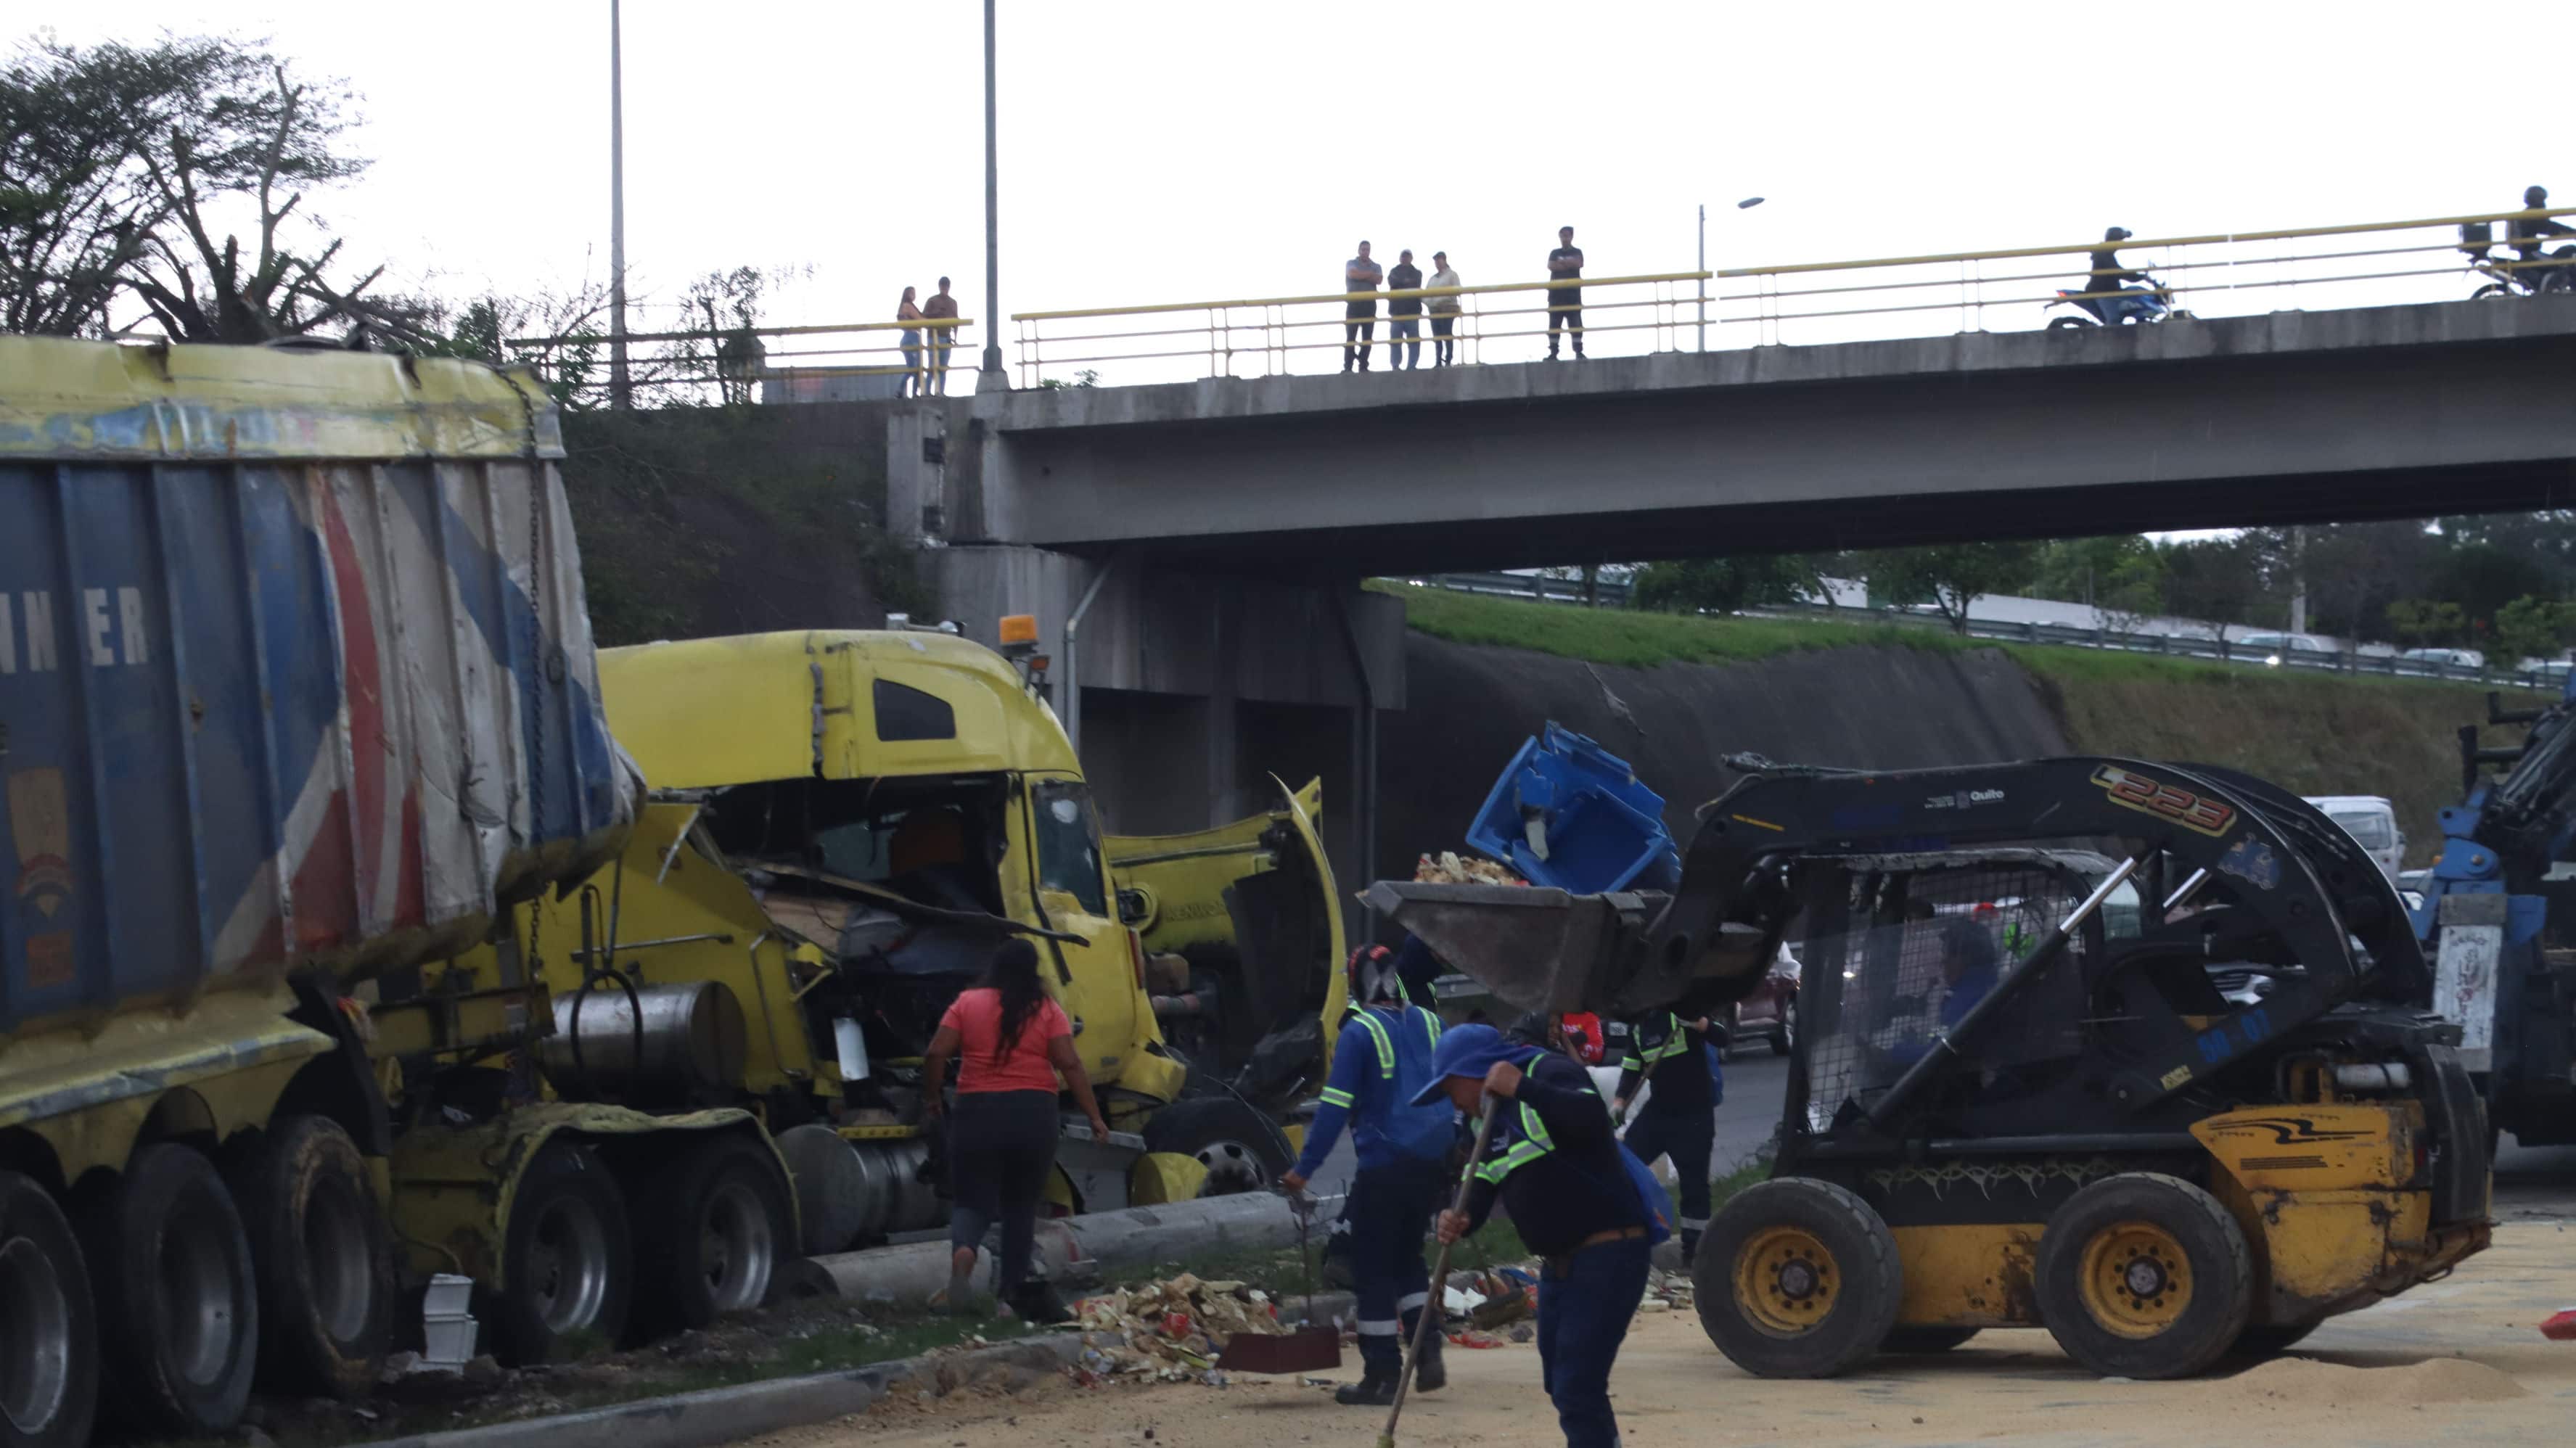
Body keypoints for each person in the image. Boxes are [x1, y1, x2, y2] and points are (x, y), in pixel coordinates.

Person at [1420, 1024, 1653, 1448]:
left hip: (1609, 1254)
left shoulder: (1547, 1072)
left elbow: (1591, 1121)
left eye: (1453, 1090)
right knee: (1561, 1382)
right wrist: (1459, 1217)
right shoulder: (1483, 1127)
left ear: (1478, 1072)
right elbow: (1481, 1188)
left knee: (1576, 1385)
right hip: (1560, 1267)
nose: (1455, 1104)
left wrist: (1523, 1086)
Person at [1281, 945, 1453, 1405]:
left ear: (1358, 982)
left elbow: (1335, 1109)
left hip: (1386, 1163)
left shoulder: (1360, 1031)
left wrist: (1303, 1170)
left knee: (1372, 1266)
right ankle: (1428, 1349)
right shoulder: (1431, 1022)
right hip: (1433, 1161)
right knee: (1408, 1258)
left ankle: (1381, 1375)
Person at [920, 938, 1111, 1324]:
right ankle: (1010, 1297)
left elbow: (936, 1052)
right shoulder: (1046, 1009)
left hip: (978, 1112)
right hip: (1033, 1114)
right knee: (1020, 1206)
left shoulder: (967, 1003)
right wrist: (1094, 1117)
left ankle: (964, 1256)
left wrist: (933, 1096)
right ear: (1033, 970)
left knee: (971, 1202)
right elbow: (1070, 1064)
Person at [1612, 1009, 1718, 1259]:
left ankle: (1696, 1252)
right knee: (1623, 1167)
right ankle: (1626, 1237)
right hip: (1658, 1113)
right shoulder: (1638, 1028)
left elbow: (1722, 1037)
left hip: (1694, 1115)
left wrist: (1700, 1023)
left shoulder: (1679, 1016)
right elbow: (1631, 1069)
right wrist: (1618, 1103)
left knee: (1694, 1186)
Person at [2081, 228, 2153, 324]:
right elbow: (2117, 271)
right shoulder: (2102, 253)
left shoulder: (2107, 253)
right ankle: (2109, 336)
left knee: (2135, 291)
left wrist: (2139, 276)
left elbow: (2118, 270)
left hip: (2111, 290)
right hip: (2102, 292)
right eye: (2120, 240)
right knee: (2114, 319)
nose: (2121, 243)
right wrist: (2139, 277)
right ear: (2114, 240)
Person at [2510, 186, 2575, 291]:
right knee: (2563, 262)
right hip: (2531, 255)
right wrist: (2572, 232)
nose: (2543, 203)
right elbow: (2550, 227)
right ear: (2537, 199)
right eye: (2542, 199)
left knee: (2563, 255)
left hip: (2529, 254)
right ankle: (2551, 286)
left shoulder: (2527, 214)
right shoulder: (2532, 216)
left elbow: (2549, 227)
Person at [1546, 226, 1586, 360]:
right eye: (1562, 236)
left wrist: (1562, 262)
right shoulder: (1554, 252)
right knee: (1554, 326)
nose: (1564, 239)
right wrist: (1569, 263)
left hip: (1572, 295)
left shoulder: (1577, 251)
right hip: (1556, 296)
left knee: (1576, 325)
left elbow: (1578, 263)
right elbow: (1551, 265)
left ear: (1572, 237)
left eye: (1567, 236)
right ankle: (1553, 353)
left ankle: (1578, 352)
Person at [1344, 242, 1385, 372]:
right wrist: (1369, 275)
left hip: (1369, 305)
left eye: (1367, 250)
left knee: (1367, 338)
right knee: (1351, 338)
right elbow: (1352, 274)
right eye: (1363, 249)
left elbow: (1379, 280)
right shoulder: (1351, 263)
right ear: (1359, 250)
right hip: (1354, 304)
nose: (1365, 252)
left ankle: (1363, 366)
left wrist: (1361, 275)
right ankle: (1348, 367)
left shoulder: (1376, 266)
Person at [921, 276, 961, 395]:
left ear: (949, 287)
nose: (944, 288)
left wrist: (955, 338)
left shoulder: (953, 303)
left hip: (946, 337)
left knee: (943, 367)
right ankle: (928, 392)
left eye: (946, 286)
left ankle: (940, 392)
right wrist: (936, 314)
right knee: (933, 367)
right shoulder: (932, 301)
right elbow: (924, 317)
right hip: (933, 336)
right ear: (940, 287)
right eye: (943, 286)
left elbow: (956, 321)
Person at [1387, 249, 1425, 371]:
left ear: (1411, 258)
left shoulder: (1417, 272)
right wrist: (1406, 282)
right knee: (1395, 342)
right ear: (1400, 258)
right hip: (1397, 313)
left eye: (1407, 256)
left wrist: (1400, 283)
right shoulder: (1394, 271)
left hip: (1412, 313)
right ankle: (1395, 366)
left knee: (1414, 341)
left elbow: (1416, 282)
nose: (1405, 258)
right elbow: (1392, 282)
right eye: (1403, 256)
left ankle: (1412, 366)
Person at [1427, 251, 1463, 366]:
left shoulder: (1452, 275)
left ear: (1445, 260)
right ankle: (1438, 361)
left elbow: (1458, 290)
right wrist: (1430, 303)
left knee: (1447, 333)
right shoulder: (1433, 278)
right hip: (1434, 310)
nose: (1437, 262)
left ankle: (1448, 359)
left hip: (1448, 308)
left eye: (1439, 259)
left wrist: (1442, 298)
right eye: (1436, 260)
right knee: (1437, 336)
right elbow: (1426, 294)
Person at [895, 287, 925, 397]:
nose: (914, 295)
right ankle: (902, 391)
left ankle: (909, 392)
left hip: (909, 338)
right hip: (911, 337)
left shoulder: (904, 306)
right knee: (914, 367)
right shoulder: (907, 306)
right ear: (907, 294)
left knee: (914, 368)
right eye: (912, 293)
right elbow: (920, 319)